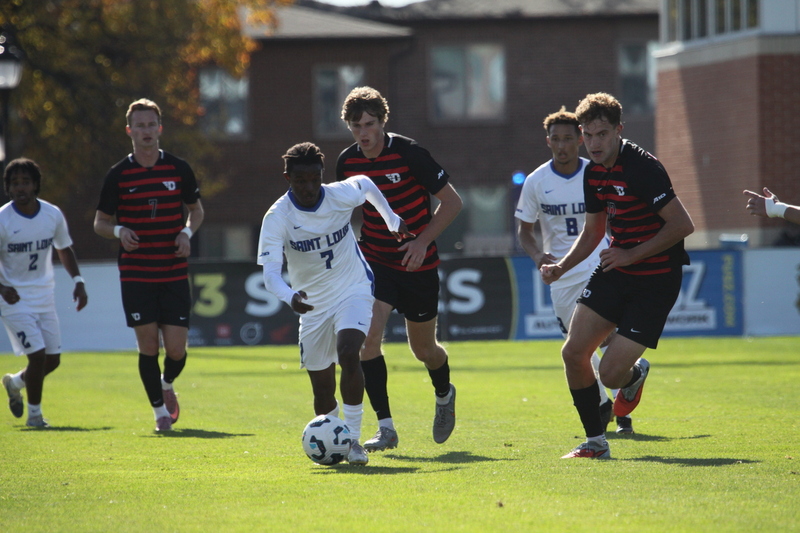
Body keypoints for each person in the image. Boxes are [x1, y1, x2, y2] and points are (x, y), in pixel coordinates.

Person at [542, 93, 694, 459]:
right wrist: (562, 265)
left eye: (602, 134)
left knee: (610, 375)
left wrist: (630, 253)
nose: (594, 143)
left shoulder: (643, 168)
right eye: (588, 135)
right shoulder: (593, 172)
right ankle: (595, 442)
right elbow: (594, 230)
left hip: (656, 279)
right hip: (616, 270)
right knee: (574, 352)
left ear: (618, 131)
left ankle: (633, 376)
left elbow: (682, 225)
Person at [258, 142, 412, 465]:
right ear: (288, 178)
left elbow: (367, 185)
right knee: (322, 390)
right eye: (301, 181)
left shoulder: (338, 194)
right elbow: (271, 275)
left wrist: (391, 218)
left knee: (348, 352)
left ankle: (353, 441)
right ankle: (333, 441)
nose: (310, 187)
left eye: (315, 178)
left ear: (322, 175)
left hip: (352, 287)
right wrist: (290, 297)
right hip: (310, 304)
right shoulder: (277, 218)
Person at [336, 86, 463, 451]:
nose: (364, 132)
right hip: (375, 262)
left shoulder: (409, 154)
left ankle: (443, 393)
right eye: (357, 125)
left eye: (370, 124)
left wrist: (422, 241)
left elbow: (453, 203)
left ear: (382, 122)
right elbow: (344, 214)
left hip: (417, 264)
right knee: (367, 340)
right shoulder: (347, 163)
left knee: (424, 350)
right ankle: (386, 429)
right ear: (348, 126)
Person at [515, 107, 635, 434]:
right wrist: (540, 257)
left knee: (603, 339)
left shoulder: (596, 171)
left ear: (580, 140)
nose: (563, 145)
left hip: (598, 262)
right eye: (556, 139)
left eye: (569, 138)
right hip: (560, 273)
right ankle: (619, 388)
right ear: (548, 141)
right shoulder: (536, 181)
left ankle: (619, 411)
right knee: (578, 347)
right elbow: (524, 231)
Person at [94, 98, 204, 432]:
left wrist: (186, 232)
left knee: (176, 349)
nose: (146, 131)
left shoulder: (178, 168)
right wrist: (118, 230)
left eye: (150, 124)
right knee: (148, 346)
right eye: (139, 126)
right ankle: (159, 413)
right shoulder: (118, 175)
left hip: (172, 271)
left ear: (160, 128)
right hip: (137, 273)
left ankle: (166, 383)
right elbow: (99, 222)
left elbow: (196, 210)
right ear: (130, 131)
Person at [1, 158, 88, 428]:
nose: (20, 188)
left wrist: (78, 280)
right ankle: (35, 416)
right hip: (13, 299)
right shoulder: (3, 218)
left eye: (25, 182)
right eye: (14, 183)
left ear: (36, 184)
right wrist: (2, 288)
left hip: (44, 296)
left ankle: (14, 383)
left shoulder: (52, 214)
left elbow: (64, 248)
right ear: (8, 188)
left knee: (52, 360)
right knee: (37, 356)